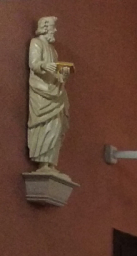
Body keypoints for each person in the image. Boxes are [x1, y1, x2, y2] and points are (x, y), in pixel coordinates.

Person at [27, 16, 71, 173]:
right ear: (45, 28)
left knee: (57, 125)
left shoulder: (53, 50)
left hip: (55, 90)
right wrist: (45, 65)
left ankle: (51, 163)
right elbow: (33, 64)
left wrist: (63, 74)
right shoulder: (36, 43)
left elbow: (56, 73)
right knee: (46, 125)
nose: (55, 30)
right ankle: (43, 162)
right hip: (42, 91)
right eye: (53, 27)